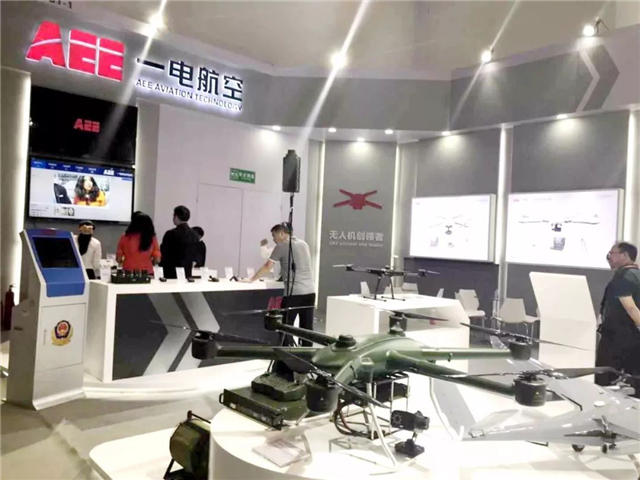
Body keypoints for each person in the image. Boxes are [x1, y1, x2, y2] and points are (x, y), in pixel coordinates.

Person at [244, 223, 315, 346]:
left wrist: (251, 279)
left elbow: (268, 266)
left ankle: (287, 353)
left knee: (285, 327)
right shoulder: (304, 244)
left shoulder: (282, 246)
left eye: (274, 235)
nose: (273, 239)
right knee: (307, 328)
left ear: (282, 233)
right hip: (310, 292)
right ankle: (307, 354)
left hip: (293, 294)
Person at [596, 242, 640, 394]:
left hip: (617, 338)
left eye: (611, 254)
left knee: (604, 376)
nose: (608, 257)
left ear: (624, 255)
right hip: (631, 337)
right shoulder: (636, 274)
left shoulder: (623, 277)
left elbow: (630, 307)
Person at [160, 205, 200, 279]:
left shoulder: (170, 234)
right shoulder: (195, 234)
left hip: (171, 272)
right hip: (187, 272)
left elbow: (164, 254)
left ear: (176, 217)